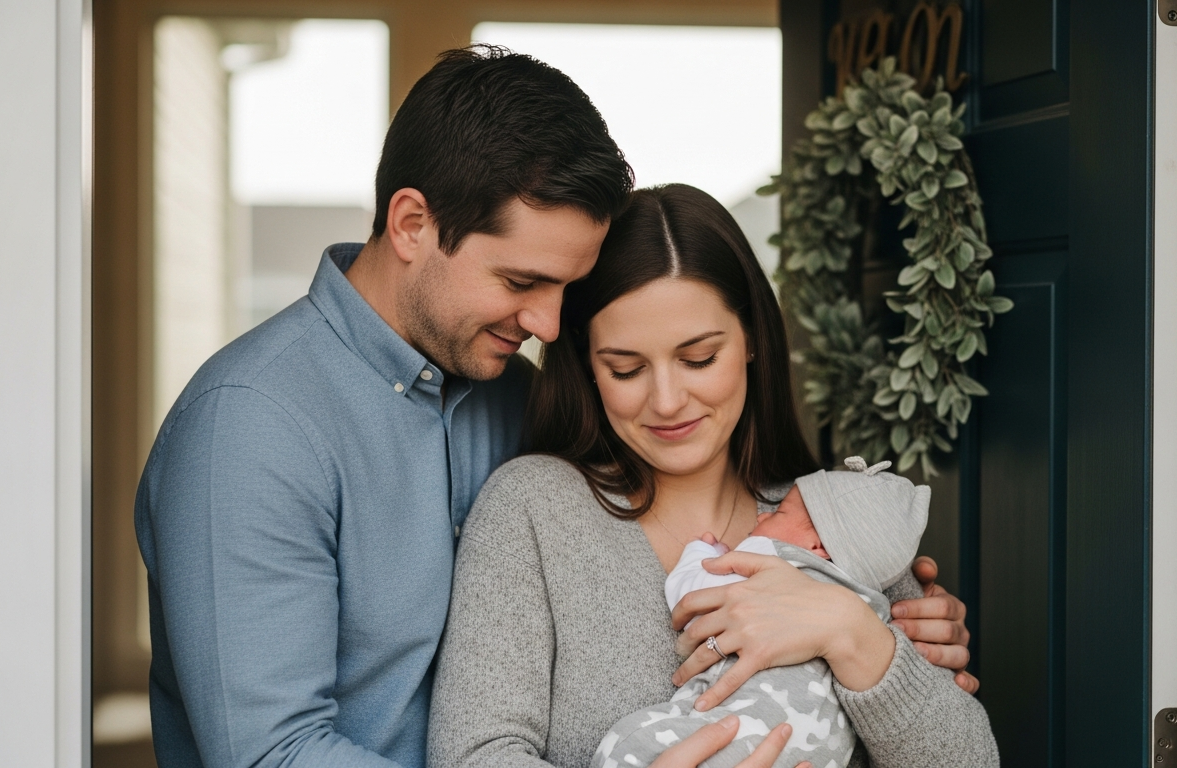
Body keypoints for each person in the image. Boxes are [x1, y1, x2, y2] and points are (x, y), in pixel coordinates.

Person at [136, 46, 974, 768]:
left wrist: (866, 629)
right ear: (412, 223)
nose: (546, 327)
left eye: (566, 291)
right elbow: (268, 755)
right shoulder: (249, 428)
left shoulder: (510, 389)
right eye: (522, 282)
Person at [427, 184, 998, 768]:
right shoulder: (533, 512)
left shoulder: (833, 519)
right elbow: (473, 755)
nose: (668, 401)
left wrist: (849, 629)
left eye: (699, 358)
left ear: (750, 338)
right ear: (587, 364)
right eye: (625, 369)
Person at [595, 456, 933, 768]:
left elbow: (693, 601)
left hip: (739, 731)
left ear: (818, 548)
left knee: (624, 745)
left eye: (780, 513)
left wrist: (702, 553)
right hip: (817, 753)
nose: (762, 515)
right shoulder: (877, 606)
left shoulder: (771, 555)